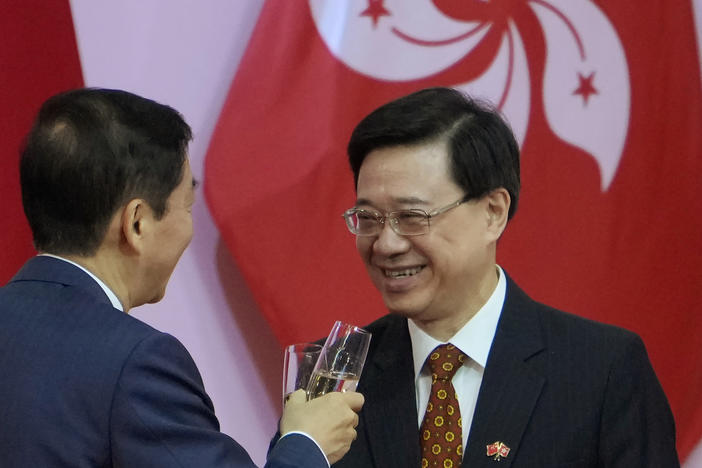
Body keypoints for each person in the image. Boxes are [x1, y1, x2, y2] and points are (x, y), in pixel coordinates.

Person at [0, 88, 363, 467]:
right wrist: (309, 444)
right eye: (186, 207)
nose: (188, 229)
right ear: (136, 222)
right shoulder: (137, 362)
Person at [332, 87, 679, 467]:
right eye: (368, 219)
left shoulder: (601, 371)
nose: (386, 244)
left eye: (411, 217)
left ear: (493, 212)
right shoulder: (334, 373)